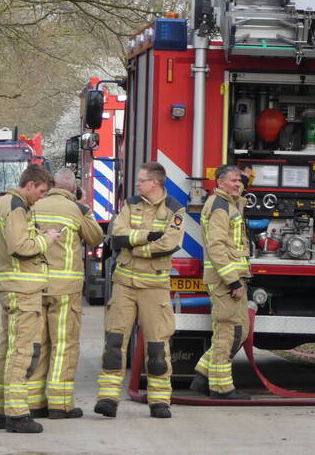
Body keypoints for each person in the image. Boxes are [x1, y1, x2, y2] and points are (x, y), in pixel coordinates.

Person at [94, 162, 185, 419]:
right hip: (124, 284)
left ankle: (159, 401)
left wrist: (136, 248)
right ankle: (108, 398)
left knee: (157, 347)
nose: (137, 184)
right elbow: (118, 234)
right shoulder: (130, 203)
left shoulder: (175, 209)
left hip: (154, 287)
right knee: (114, 343)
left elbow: (170, 242)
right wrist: (147, 237)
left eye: (142, 180)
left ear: (155, 182)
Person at [29, 168, 104, 419]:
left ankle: (34, 402)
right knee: (64, 345)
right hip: (66, 290)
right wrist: (84, 208)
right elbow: (96, 238)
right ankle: (60, 404)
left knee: (38, 345)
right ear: (73, 189)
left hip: (37, 287)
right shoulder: (76, 210)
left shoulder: (35, 205)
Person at [0, 165, 59, 434]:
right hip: (24, 290)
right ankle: (18, 415)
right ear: (30, 185)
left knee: (7, 350)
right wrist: (47, 239)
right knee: (22, 352)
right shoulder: (17, 207)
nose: (41, 197)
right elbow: (20, 247)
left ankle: (1, 410)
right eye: (41, 191)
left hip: (12, 287)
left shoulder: (3, 204)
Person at [190, 164, 251, 399]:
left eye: (240, 181)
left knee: (240, 330)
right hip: (226, 281)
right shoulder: (219, 207)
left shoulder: (231, 204)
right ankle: (221, 388)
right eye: (234, 180)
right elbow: (216, 248)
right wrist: (233, 282)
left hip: (233, 279)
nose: (238, 184)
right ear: (220, 183)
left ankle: (203, 375)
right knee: (229, 332)